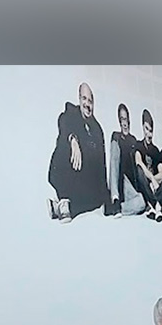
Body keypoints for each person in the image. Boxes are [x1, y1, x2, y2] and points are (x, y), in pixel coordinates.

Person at [47, 82, 107, 221]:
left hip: (81, 179)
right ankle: (63, 196)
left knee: (98, 200)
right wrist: (73, 139)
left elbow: (101, 165)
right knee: (65, 143)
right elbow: (63, 121)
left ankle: (61, 207)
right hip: (63, 171)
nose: (87, 104)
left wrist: (105, 196)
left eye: (90, 101)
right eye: (84, 99)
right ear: (79, 99)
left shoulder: (97, 130)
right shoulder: (70, 113)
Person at [105, 103, 146, 217]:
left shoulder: (133, 140)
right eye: (122, 119)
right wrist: (115, 193)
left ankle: (116, 208)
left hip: (131, 187)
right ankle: (115, 199)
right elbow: (114, 162)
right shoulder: (116, 136)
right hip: (120, 182)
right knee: (115, 146)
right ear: (119, 121)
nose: (125, 123)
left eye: (126, 119)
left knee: (142, 202)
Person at [132, 109, 162, 221]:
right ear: (143, 128)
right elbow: (139, 163)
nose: (149, 134)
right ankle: (156, 205)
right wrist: (151, 178)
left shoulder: (155, 150)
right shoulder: (138, 145)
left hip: (153, 187)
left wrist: (153, 181)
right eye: (147, 129)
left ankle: (151, 206)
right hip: (143, 185)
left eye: (151, 130)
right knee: (139, 170)